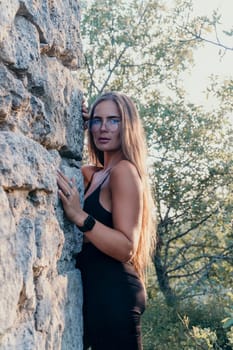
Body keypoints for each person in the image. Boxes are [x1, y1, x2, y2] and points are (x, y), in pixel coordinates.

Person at [57, 91, 155, 350]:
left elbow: (126, 248)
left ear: (128, 126)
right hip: (99, 295)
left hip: (115, 296)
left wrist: (80, 217)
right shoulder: (98, 174)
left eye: (114, 120)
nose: (103, 128)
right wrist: (90, 122)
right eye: (98, 121)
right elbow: (84, 169)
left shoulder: (124, 172)